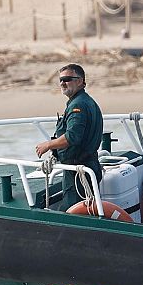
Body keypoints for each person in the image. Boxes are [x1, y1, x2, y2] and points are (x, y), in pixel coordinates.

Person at [35, 63, 104, 207]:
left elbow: (72, 136)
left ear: (80, 81)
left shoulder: (78, 105)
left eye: (67, 79)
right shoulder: (82, 101)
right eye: (60, 80)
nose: (62, 83)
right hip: (84, 167)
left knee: (73, 212)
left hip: (79, 172)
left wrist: (48, 145)